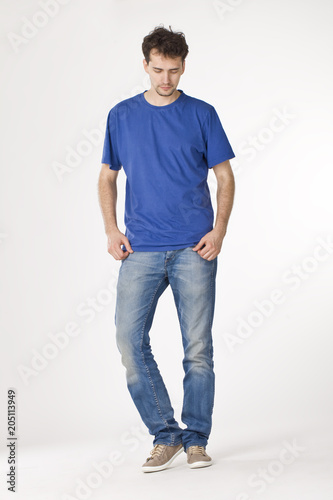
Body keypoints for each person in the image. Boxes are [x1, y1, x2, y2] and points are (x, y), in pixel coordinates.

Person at [98, 24, 235, 473]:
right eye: (158, 69)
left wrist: (219, 231)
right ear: (145, 64)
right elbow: (107, 176)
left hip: (195, 249)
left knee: (198, 348)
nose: (166, 79)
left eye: (174, 71)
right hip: (140, 249)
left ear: (183, 67)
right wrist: (110, 228)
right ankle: (165, 433)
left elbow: (225, 176)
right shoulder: (121, 115)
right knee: (128, 342)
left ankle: (196, 439)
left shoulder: (202, 113)